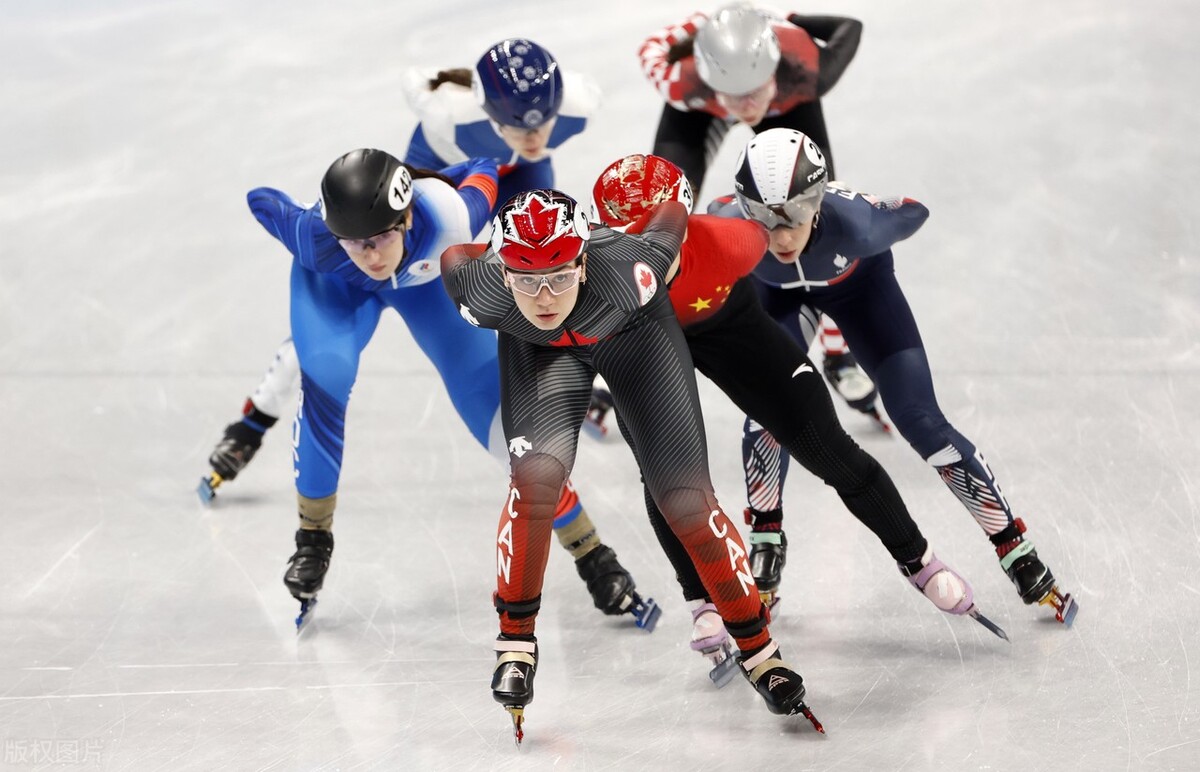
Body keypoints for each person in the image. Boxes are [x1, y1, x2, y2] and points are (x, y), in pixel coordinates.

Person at [201, 42, 646, 625]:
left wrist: (453, 180)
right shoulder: (316, 237)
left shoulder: (452, 217)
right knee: (326, 373)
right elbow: (265, 203)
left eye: (380, 238)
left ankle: (591, 552)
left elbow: (485, 172)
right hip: (335, 290)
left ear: (407, 218)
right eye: (355, 243)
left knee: (504, 419)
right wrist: (321, 221)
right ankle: (312, 538)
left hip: (427, 276)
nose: (370, 255)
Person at [589, 154, 1006, 688]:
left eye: (658, 241)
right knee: (667, 473)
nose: (646, 259)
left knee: (828, 447)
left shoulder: (732, 238)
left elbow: (808, 238)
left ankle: (919, 560)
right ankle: (701, 599)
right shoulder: (593, 277)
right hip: (644, 342)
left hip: (727, 327)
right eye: (630, 245)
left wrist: (837, 330)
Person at [441, 189, 822, 743]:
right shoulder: (472, 286)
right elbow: (457, 255)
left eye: (559, 276)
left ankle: (759, 650)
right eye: (527, 279)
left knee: (686, 503)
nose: (545, 296)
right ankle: (515, 642)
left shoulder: (634, 270)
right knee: (535, 484)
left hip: (633, 335)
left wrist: (679, 199)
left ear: (585, 260)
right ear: (502, 273)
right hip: (541, 353)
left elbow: (673, 214)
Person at [715, 128, 1078, 626]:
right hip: (780, 302)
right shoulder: (726, 222)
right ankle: (765, 537)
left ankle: (1012, 542)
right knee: (767, 410)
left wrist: (861, 200)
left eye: (793, 217)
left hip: (859, 293)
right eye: (763, 219)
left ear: (816, 202)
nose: (779, 237)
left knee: (920, 421)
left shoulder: (859, 226)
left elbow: (913, 209)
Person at [636, 2, 883, 428]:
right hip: (699, 112)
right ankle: (627, 340)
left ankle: (838, 354)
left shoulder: (807, 68)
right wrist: (701, 24)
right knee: (656, 220)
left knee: (817, 219)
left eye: (754, 91)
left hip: (787, 107)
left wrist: (793, 21)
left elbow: (850, 25)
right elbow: (650, 47)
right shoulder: (682, 83)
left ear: (773, 72)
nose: (746, 106)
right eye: (734, 96)